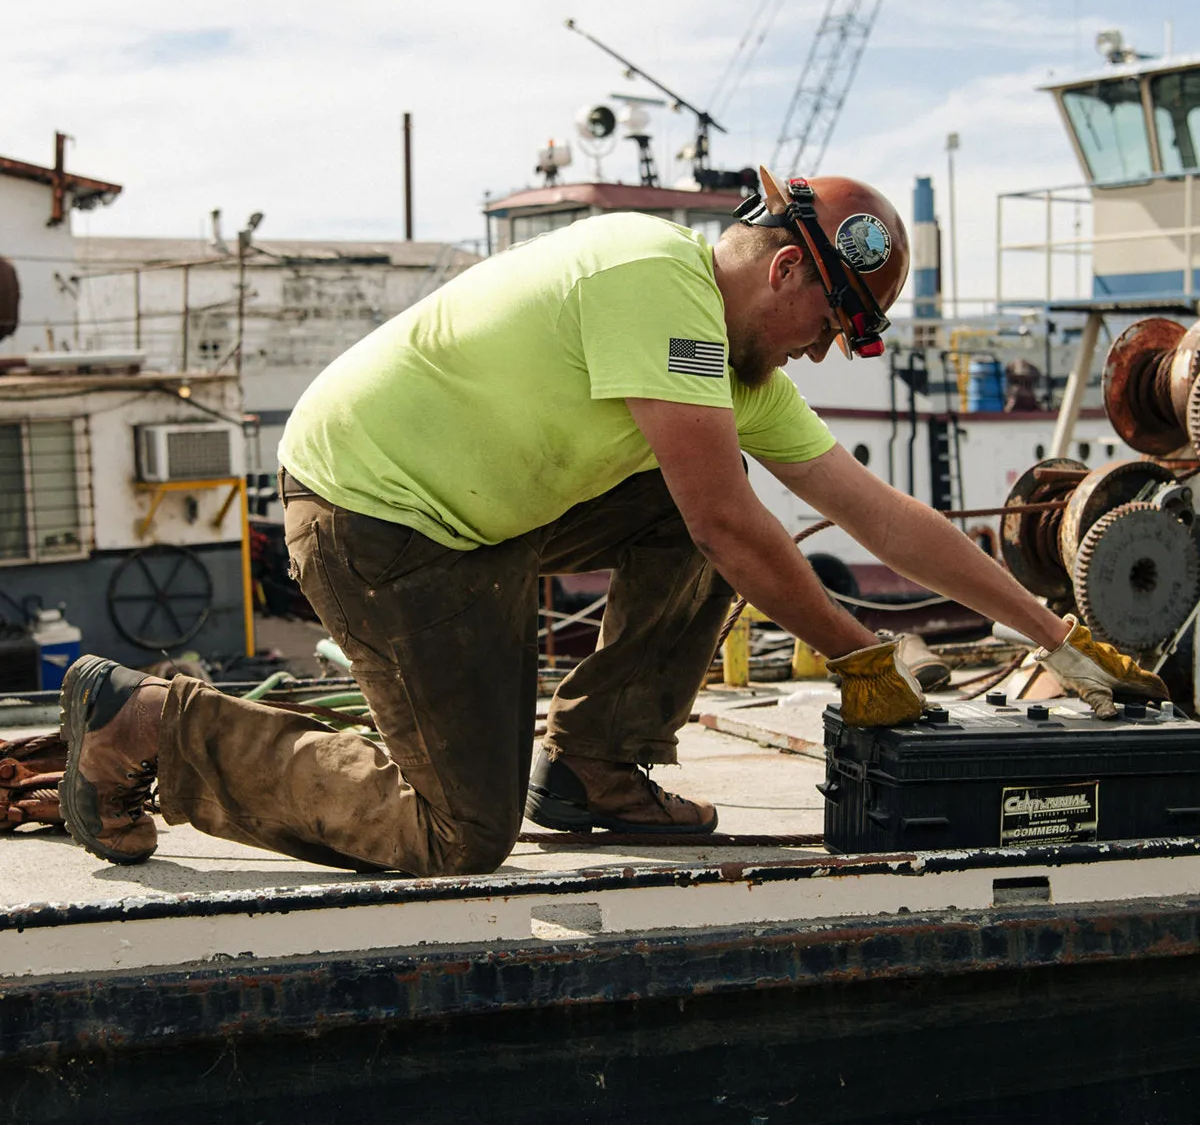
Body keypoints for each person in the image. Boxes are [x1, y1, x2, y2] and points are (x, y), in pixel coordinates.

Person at [58, 168, 1168, 875]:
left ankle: (593, 762)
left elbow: (877, 514)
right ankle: (150, 722)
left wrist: (1054, 634)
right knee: (457, 838)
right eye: (833, 324)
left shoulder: (735, 368)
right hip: (376, 519)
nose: (824, 353)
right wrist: (856, 655)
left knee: (715, 515)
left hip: (481, 519)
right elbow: (729, 525)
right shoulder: (652, 278)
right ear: (787, 269)